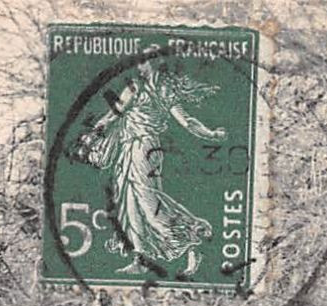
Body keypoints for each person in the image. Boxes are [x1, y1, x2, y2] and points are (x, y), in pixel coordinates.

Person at [71, 58, 225, 275]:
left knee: (146, 200)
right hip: (135, 148)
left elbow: (114, 115)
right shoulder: (155, 88)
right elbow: (187, 122)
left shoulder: (147, 87)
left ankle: (191, 238)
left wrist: (210, 134)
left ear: (153, 64)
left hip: (141, 147)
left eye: (144, 62)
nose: (140, 65)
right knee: (130, 201)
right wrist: (211, 134)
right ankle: (140, 258)